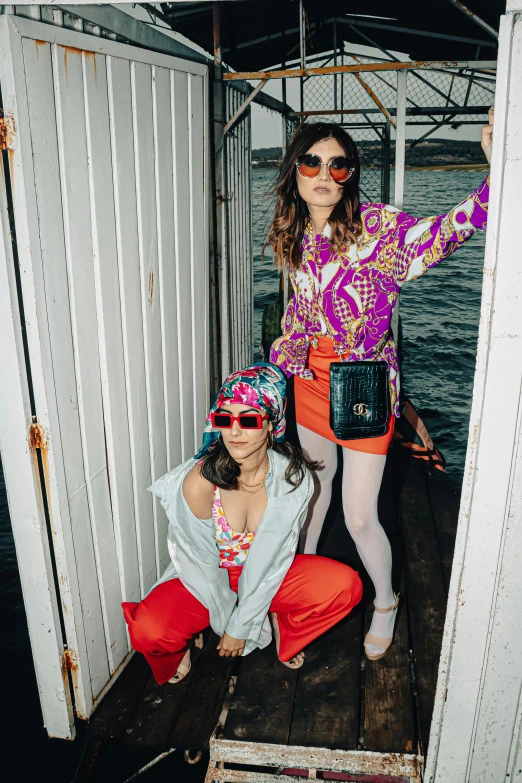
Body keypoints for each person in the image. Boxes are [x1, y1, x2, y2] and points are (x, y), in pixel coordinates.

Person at [268, 111, 493, 661]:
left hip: (364, 384)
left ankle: (385, 602)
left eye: (339, 164)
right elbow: (300, 309)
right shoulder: (292, 233)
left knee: (360, 515)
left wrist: (497, 171)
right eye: (313, 161)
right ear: (295, 171)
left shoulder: (378, 228)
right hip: (311, 386)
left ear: (351, 175)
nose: (325, 173)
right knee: (311, 504)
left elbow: (443, 235)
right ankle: (298, 603)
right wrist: (285, 357)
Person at [122, 363, 363, 684]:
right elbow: (202, 566)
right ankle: (178, 649)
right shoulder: (199, 482)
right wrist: (231, 623)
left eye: (248, 419)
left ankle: (285, 626)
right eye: (224, 418)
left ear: (271, 424)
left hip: (269, 573)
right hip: (206, 577)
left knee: (346, 587)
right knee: (147, 632)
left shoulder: (294, 479)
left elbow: (275, 561)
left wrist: (241, 626)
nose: (234, 432)